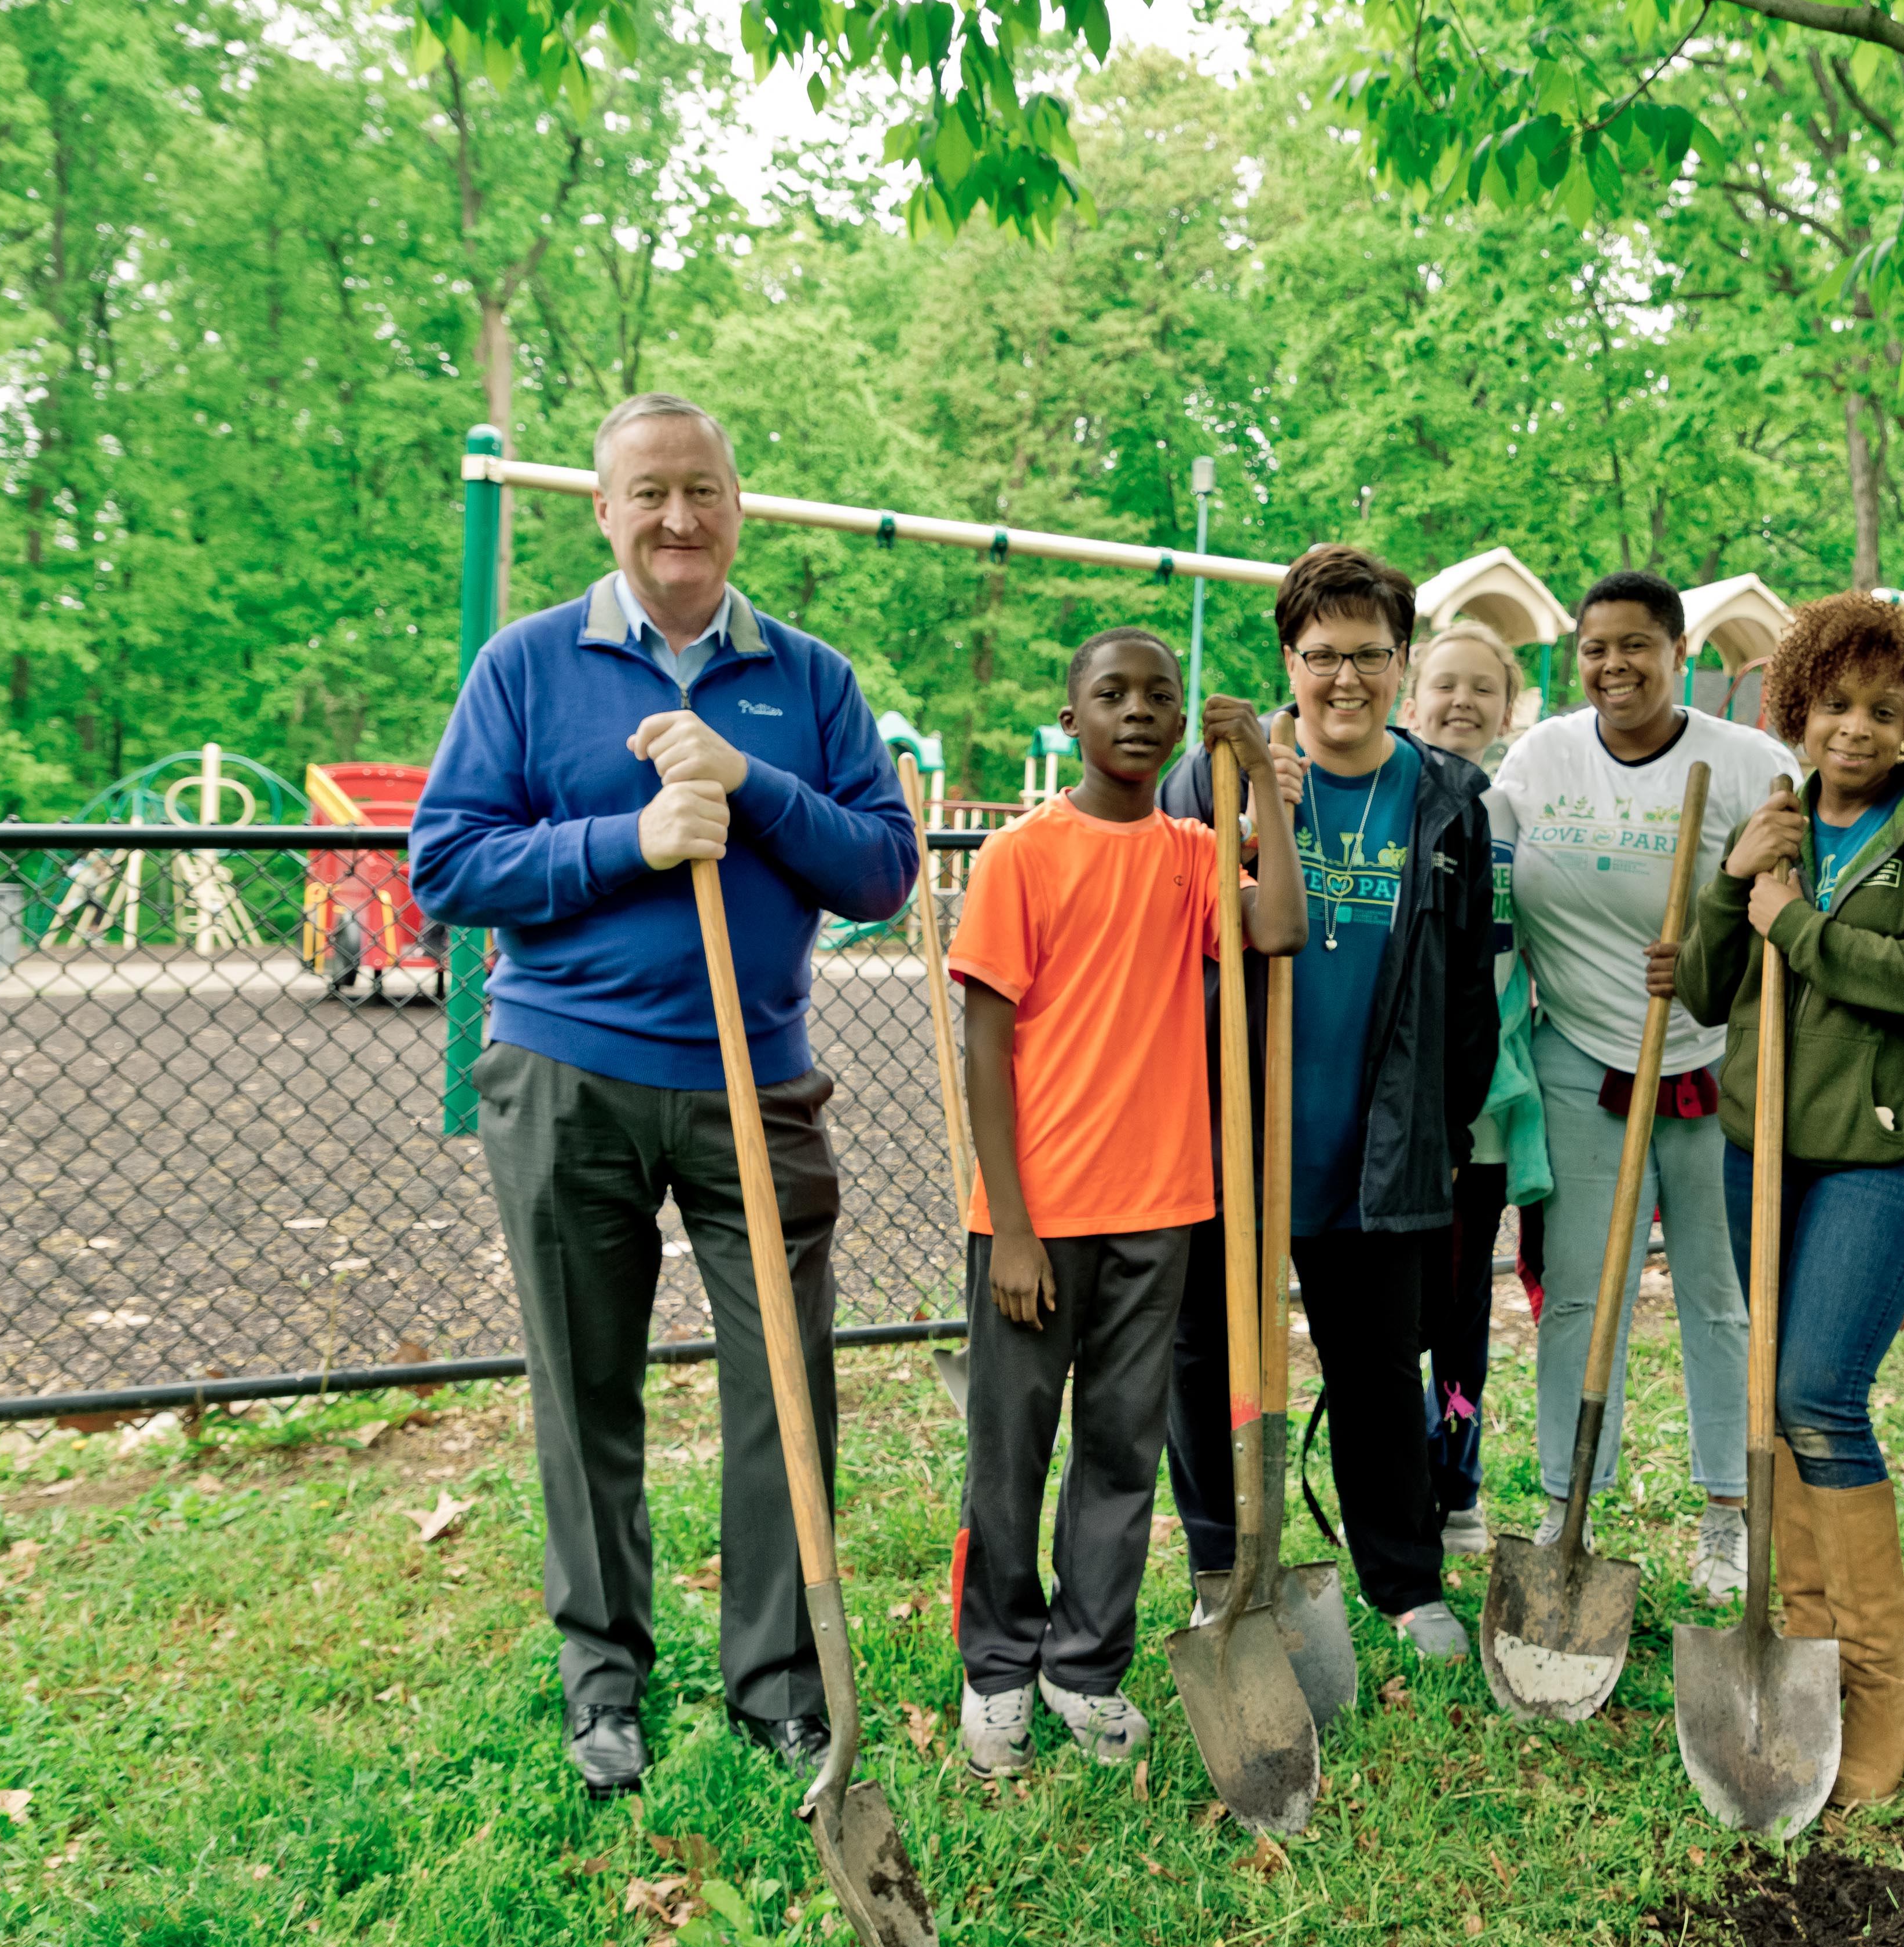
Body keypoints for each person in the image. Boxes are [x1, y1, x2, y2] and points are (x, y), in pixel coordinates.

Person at [410, 392, 919, 1800]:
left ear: (738, 506)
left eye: (702, 491)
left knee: (783, 1390)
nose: (678, 519)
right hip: (565, 1078)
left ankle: (776, 1684)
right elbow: (446, 864)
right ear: (605, 511)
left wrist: (748, 781)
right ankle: (605, 1685)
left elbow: (882, 870)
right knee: (587, 1392)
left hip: (758, 1086)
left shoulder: (807, 682)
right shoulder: (527, 667)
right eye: (649, 495)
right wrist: (628, 840)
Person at [946, 631, 1303, 1775]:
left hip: (1161, 1203)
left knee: (1120, 1446)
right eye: (1113, 694)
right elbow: (986, 1048)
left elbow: (1280, 928)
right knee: (1012, 1445)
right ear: (1073, 720)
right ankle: (999, 1666)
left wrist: (1266, 787)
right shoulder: (1021, 858)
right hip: (1037, 1215)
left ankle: (1083, 1664)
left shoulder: (1196, 855)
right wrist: (1008, 1221)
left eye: (1161, 695)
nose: (1139, 712)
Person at [1677, 591, 1904, 1806]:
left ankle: (1881, 1685)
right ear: (1797, 706)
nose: (1853, 728)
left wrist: (1799, 923)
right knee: (1772, 1396)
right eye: (1833, 703)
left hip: (1889, 1153)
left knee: (1818, 1392)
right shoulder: (1781, 817)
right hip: (1767, 1145)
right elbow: (1718, 987)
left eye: (1881, 708)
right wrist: (1736, 883)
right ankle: (1800, 1656)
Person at [1159, 546, 1499, 1658]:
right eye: (1320, 657)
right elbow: (1167, 918)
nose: (1343, 679)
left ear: (1402, 664)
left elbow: (1462, 991)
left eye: (1368, 656)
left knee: (1376, 1373)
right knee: (1208, 1360)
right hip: (1234, 1136)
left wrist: (1446, 1134)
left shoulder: (1446, 800)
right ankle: (1225, 1565)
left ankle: (1404, 1582)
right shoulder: (1222, 772)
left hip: (1378, 1142)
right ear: (1287, 660)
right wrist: (1247, 814)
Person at [1493, 571, 1791, 1600]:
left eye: (1636, 646)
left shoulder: (1748, 764)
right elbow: (1490, 869)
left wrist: (1719, 950)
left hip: (1708, 1060)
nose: (1614, 666)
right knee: (1579, 1291)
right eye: (1595, 648)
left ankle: (1728, 1512)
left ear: (1679, 653)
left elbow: (1790, 918)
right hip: (1579, 1054)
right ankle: (1566, 1495)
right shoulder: (1542, 757)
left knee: (1719, 1297)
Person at [1402, 620, 1552, 1555]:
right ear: (1413, 695)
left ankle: (1457, 1474)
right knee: (1393, 1312)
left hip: (1487, 1113)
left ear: (1509, 707)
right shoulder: (1389, 798)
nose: (1462, 702)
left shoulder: (1517, 811)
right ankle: (1391, 1477)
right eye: (1444, 684)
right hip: (1399, 1110)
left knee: (1461, 1312)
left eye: (1482, 688)